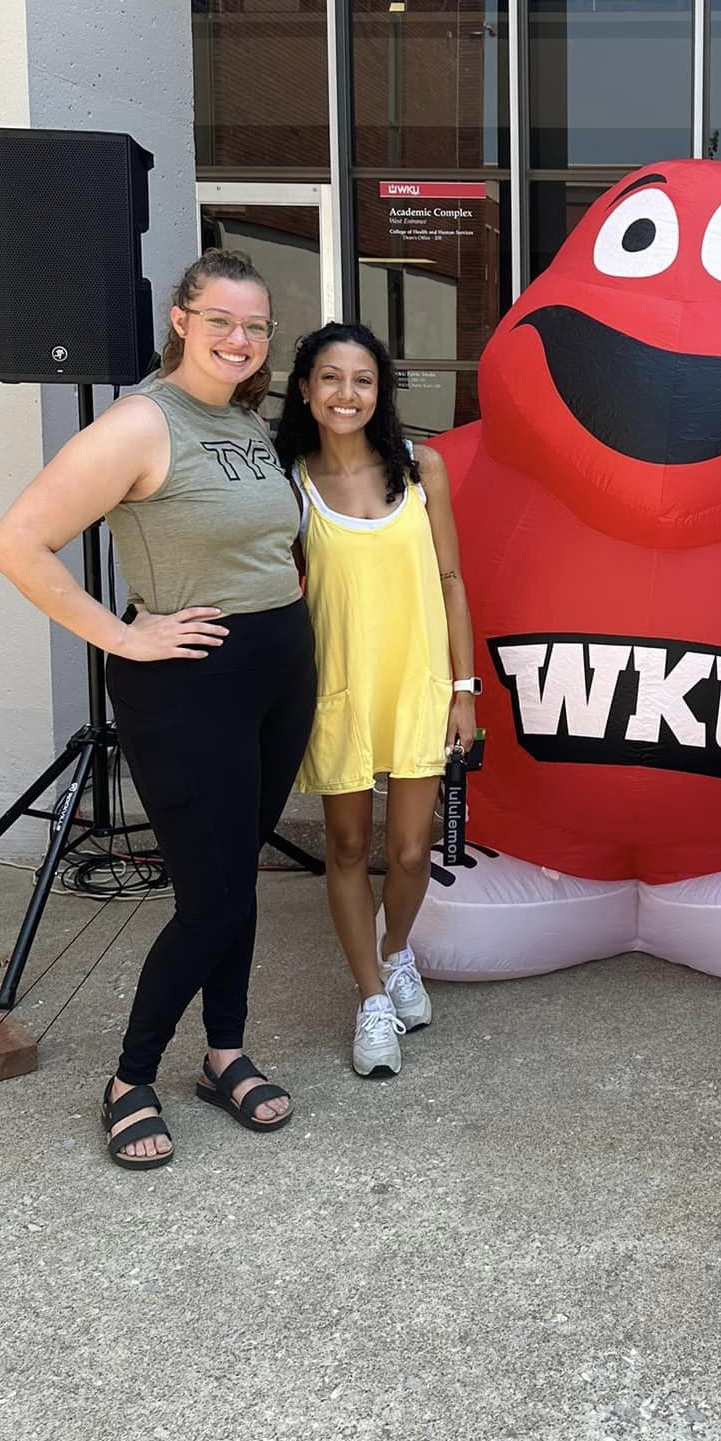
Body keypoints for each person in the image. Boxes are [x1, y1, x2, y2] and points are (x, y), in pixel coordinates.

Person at [0, 249, 315, 1170]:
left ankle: (224, 1054)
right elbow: (18, 544)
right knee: (208, 900)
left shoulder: (246, 422)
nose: (239, 339)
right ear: (181, 319)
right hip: (189, 683)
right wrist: (123, 635)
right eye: (220, 321)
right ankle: (131, 1079)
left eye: (254, 326)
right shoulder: (140, 422)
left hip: (275, 671)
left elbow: (263, 545)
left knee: (236, 880)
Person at [274, 323, 476, 1079]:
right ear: (304, 388)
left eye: (362, 380)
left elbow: (452, 583)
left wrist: (465, 688)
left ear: (380, 393)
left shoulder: (424, 471)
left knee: (412, 851)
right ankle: (371, 1001)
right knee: (351, 848)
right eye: (330, 378)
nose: (346, 394)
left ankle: (396, 955)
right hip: (340, 689)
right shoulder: (289, 482)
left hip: (418, 682)